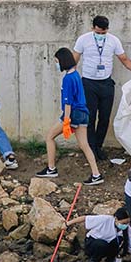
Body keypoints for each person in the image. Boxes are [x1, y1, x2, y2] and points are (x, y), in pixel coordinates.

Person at [73, 15, 131, 160]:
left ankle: (98, 146)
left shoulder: (113, 40)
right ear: (92, 28)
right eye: (98, 33)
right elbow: (75, 59)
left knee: (104, 117)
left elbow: (123, 59)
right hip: (88, 83)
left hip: (106, 83)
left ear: (107, 30)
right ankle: (90, 148)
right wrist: (70, 79)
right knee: (90, 117)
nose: (101, 36)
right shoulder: (83, 39)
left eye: (103, 33)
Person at [35, 47, 103, 185]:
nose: (56, 64)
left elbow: (68, 102)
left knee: (49, 137)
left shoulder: (67, 79)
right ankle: (96, 174)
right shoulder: (76, 75)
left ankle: (51, 168)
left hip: (73, 114)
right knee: (84, 145)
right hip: (83, 113)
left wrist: (66, 121)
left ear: (62, 61)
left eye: (56, 61)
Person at [66, 207, 131, 262]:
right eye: (123, 223)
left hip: (108, 245)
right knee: (101, 244)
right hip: (94, 243)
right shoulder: (105, 220)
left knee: (120, 240)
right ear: (116, 219)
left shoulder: (128, 230)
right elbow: (85, 218)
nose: (126, 225)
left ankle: (110, 259)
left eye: (128, 223)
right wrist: (67, 224)